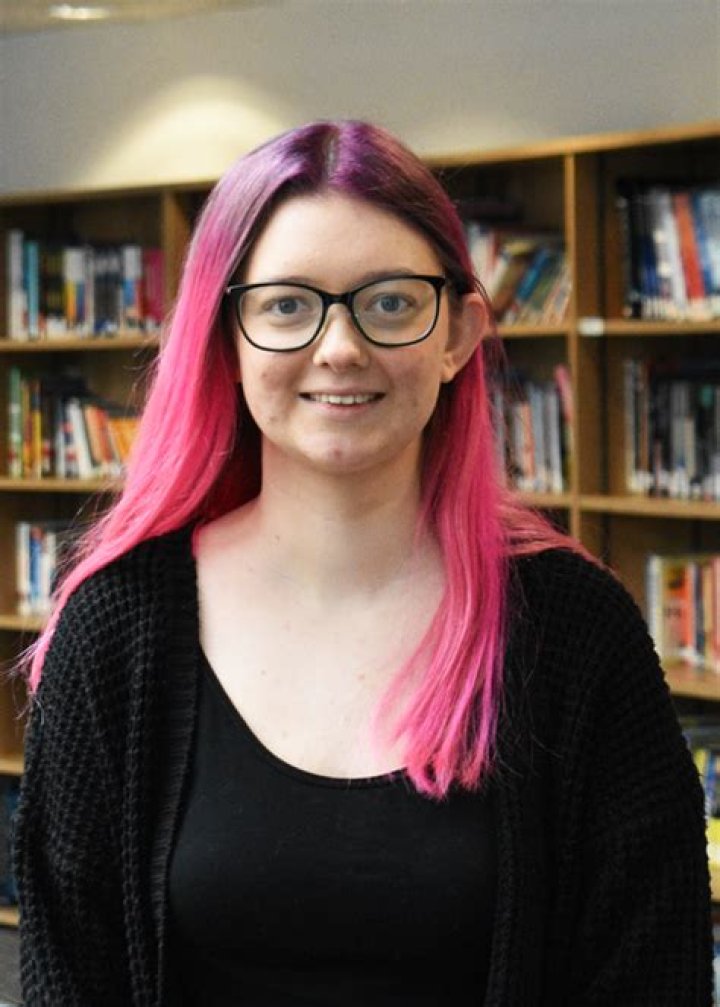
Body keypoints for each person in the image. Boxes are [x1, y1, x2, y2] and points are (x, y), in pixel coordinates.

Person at [13, 120, 713, 1006]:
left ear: (459, 333)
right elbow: (69, 973)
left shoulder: (575, 630)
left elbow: (655, 972)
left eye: (389, 302)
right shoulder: (117, 628)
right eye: (286, 305)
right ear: (226, 338)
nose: (340, 347)